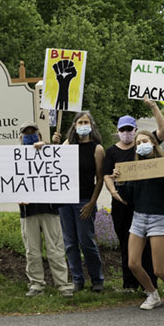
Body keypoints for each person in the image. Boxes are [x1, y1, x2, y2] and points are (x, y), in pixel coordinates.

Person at [114, 130, 164, 310]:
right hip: (138, 218)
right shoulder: (136, 168)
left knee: (158, 269)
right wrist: (120, 183)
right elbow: (128, 198)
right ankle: (152, 293)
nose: (141, 145)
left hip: (157, 218)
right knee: (133, 263)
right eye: (138, 143)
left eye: (144, 141)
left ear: (153, 143)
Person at [102, 99, 164, 291]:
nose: (127, 133)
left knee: (146, 247)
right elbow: (106, 175)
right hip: (122, 204)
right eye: (123, 130)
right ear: (118, 130)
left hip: (143, 204)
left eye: (130, 129)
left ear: (136, 129)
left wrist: (154, 107)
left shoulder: (143, 145)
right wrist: (113, 191)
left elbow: (163, 130)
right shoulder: (112, 151)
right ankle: (129, 283)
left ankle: (150, 284)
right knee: (126, 245)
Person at [18, 122, 73, 298]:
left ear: (40, 136)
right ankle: (36, 284)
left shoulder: (49, 152)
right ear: (21, 138)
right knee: (32, 251)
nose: (30, 136)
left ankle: (63, 285)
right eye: (26, 134)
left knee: (56, 249)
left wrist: (47, 148)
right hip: (28, 212)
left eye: (33, 133)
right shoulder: (14, 157)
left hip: (50, 209)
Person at [54, 112, 106, 292]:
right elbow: (56, 165)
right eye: (80, 122)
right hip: (65, 201)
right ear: (74, 125)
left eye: (86, 122)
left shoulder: (97, 149)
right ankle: (78, 279)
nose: (83, 125)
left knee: (87, 242)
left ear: (91, 125)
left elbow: (99, 179)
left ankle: (97, 279)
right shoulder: (67, 145)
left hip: (85, 200)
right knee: (70, 243)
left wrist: (92, 203)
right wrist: (56, 144)